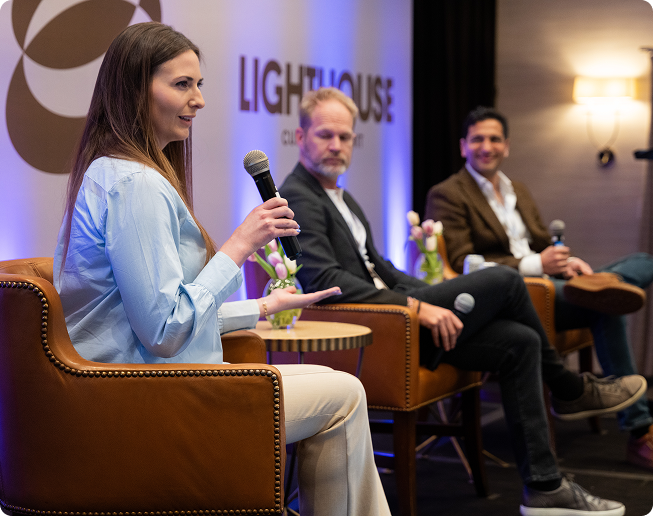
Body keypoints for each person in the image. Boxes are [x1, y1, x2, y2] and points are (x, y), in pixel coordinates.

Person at [53, 22, 392, 516]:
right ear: (134, 89)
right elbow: (164, 332)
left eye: (200, 85)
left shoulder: (120, 172)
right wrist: (237, 246)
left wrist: (261, 306)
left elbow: (149, 315)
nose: (199, 100)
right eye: (182, 85)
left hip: (143, 380)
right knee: (344, 392)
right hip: (139, 395)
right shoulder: (134, 184)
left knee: (333, 385)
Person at [279, 86, 645, 515]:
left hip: (398, 314)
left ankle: (545, 488)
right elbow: (325, 278)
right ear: (301, 138)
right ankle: (566, 389)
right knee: (506, 282)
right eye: (326, 135)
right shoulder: (299, 195)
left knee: (519, 343)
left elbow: (383, 268)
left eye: (345, 137)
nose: (337, 145)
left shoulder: (341, 195)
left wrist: (423, 296)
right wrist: (419, 306)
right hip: (378, 331)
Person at [425, 105, 653, 472]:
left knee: (644, 261)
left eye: (495, 139)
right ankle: (640, 432)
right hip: (519, 294)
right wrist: (536, 266)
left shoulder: (518, 190)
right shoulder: (448, 193)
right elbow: (466, 264)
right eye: (478, 139)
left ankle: (601, 286)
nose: (487, 146)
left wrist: (569, 262)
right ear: (463, 146)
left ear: (507, 146)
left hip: (554, 282)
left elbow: (545, 243)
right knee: (604, 304)